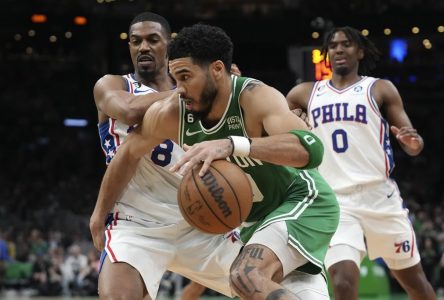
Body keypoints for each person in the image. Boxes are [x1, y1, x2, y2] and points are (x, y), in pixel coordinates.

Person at [98, 23, 340, 299]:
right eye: (175, 79)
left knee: (245, 276)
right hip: (257, 224)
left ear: (216, 69)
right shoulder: (173, 112)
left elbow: (311, 149)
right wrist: (98, 216)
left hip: (302, 201)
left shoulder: (253, 96)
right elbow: (128, 153)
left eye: (186, 77)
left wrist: (232, 145)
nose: (179, 89)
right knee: (258, 284)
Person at [286, 26, 436, 300]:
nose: (339, 49)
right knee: (342, 283)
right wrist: (294, 119)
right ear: (327, 53)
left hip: (380, 196)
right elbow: (279, 127)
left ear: (361, 51)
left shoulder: (379, 88)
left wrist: (412, 143)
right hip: (336, 200)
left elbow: (413, 144)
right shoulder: (304, 93)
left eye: (347, 44)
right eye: (333, 45)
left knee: (416, 285)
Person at [91, 12, 213, 300]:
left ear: (168, 45)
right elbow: (130, 110)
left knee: (262, 282)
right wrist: (190, 89)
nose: (143, 47)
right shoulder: (113, 85)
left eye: (152, 40)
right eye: (136, 41)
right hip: (135, 220)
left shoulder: (197, 97)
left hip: (196, 216)